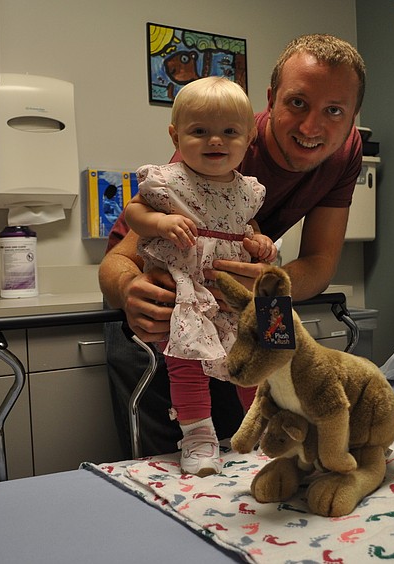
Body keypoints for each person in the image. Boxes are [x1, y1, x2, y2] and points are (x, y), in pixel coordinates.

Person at [100, 33, 365, 459]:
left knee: (269, 427)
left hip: (240, 289)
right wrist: (130, 292)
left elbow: (319, 262)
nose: (313, 127)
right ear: (272, 99)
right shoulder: (218, 148)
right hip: (167, 297)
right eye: (297, 103)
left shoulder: (345, 150)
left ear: (353, 117)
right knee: (174, 463)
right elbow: (117, 260)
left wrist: (268, 293)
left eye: (334, 111)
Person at [124, 76, 277, 475]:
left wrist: (260, 244)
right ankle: (198, 436)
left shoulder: (247, 190)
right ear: (176, 136)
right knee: (187, 365)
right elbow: (132, 213)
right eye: (199, 132)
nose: (215, 141)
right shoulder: (169, 181)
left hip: (231, 296)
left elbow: (248, 228)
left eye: (229, 132)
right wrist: (160, 222)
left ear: (248, 138)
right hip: (188, 291)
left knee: (250, 363)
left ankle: (258, 430)